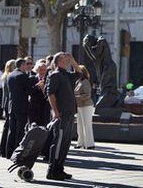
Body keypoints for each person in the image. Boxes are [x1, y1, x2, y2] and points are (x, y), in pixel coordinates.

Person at [46, 52, 80, 180]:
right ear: (59, 60)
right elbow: (51, 94)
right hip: (61, 114)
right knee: (58, 142)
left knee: (66, 143)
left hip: (70, 113)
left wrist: (73, 61)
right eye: (65, 56)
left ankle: (60, 169)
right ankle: (52, 170)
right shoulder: (55, 75)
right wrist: (55, 111)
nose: (67, 57)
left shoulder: (66, 74)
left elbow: (80, 73)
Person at [6, 58, 30, 158]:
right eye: (26, 65)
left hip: (12, 105)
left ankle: (8, 152)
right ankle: (17, 153)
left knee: (12, 130)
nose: (28, 67)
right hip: (21, 106)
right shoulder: (23, 75)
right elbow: (28, 90)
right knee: (20, 131)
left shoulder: (10, 75)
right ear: (22, 65)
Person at [74, 65, 95, 150]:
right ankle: (81, 143)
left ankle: (90, 144)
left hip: (86, 105)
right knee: (80, 125)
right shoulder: (78, 81)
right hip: (79, 105)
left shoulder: (85, 81)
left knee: (87, 124)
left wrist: (75, 97)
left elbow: (87, 95)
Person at [28, 62, 50, 126]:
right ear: (37, 70)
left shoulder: (49, 79)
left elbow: (49, 95)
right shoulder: (32, 79)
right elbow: (29, 91)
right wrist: (37, 87)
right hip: (34, 108)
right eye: (40, 70)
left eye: (44, 70)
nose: (42, 72)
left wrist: (43, 88)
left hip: (44, 108)